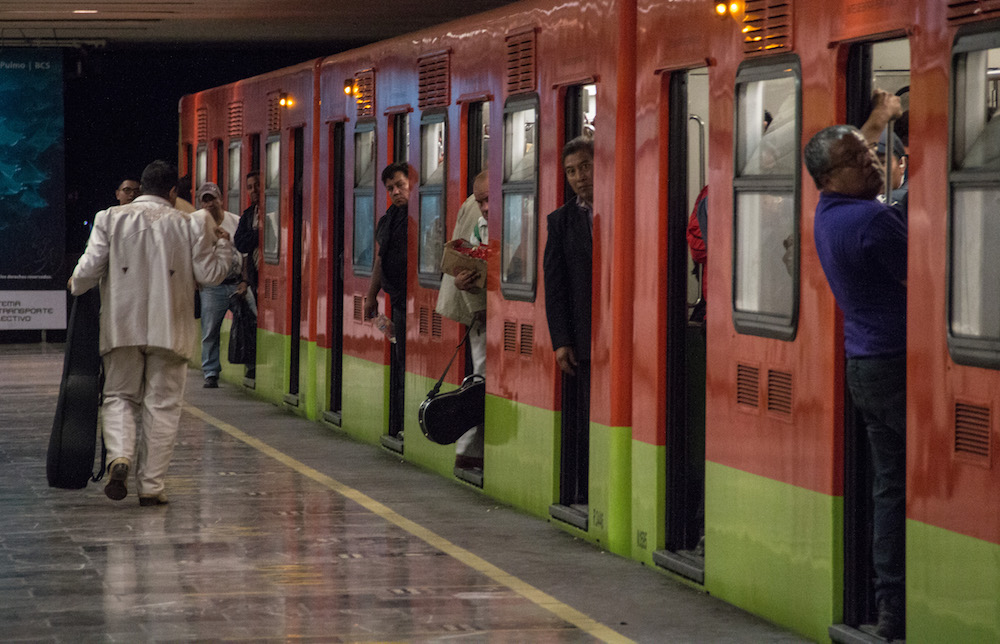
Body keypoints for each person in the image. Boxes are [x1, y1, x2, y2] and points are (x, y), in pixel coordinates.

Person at [68, 160, 236, 506]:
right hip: (170, 330)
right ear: (173, 192)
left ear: (142, 188)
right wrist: (223, 244)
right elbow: (210, 276)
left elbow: (88, 270)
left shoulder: (109, 218)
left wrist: (75, 284)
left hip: (121, 328)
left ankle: (120, 456)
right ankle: (151, 487)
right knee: (163, 406)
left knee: (118, 396)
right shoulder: (191, 224)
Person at [804, 90, 906, 641]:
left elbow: (846, 153)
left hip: (864, 362)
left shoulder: (829, 215)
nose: (872, 160)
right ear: (829, 177)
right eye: (859, 159)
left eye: (870, 153)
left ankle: (892, 609)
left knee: (891, 487)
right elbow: (929, 283)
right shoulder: (873, 221)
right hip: (898, 366)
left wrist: (876, 120)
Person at [543, 136, 594, 506]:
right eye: (572, 171)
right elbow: (555, 284)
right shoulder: (560, 222)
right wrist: (561, 340)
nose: (579, 177)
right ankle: (585, 488)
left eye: (585, 167)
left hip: (616, 333)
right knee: (587, 415)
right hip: (581, 337)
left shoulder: (623, 206)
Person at [435, 172, 489, 470]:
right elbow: (470, 261)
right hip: (480, 310)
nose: (485, 206)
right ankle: (468, 451)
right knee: (481, 377)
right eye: (482, 201)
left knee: (481, 374)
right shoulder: (478, 209)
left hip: (481, 307)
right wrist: (476, 306)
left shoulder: (477, 202)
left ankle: (470, 450)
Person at [364, 162, 411, 438]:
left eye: (400, 185)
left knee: (408, 360)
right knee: (402, 359)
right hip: (398, 301)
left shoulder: (419, 215)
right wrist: (371, 295)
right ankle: (403, 423)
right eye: (390, 188)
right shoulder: (389, 219)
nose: (395, 192)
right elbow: (380, 259)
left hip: (414, 299)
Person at [194, 182, 243, 388]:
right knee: (210, 330)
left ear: (221, 200)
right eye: (204, 200)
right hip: (211, 286)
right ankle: (211, 372)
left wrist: (245, 281)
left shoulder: (235, 221)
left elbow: (244, 252)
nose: (209, 204)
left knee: (249, 320)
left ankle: (250, 364)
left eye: (212, 199)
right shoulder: (197, 224)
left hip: (236, 283)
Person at [233, 171, 261, 379]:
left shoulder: (276, 210)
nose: (254, 191)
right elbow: (240, 242)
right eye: (250, 187)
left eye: (258, 185)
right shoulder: (249, 214)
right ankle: (252, 365)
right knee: (252, 322)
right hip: (253, 276)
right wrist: (258, 234)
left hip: (267, 276)